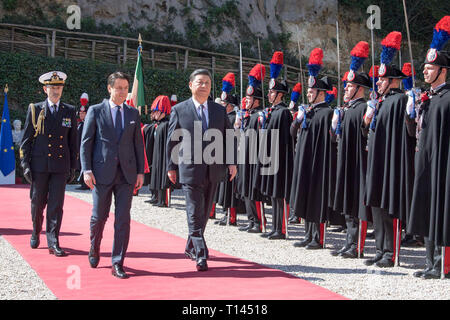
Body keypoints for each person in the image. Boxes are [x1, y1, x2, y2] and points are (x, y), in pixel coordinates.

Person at [166, 69, 237, 271]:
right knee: (194, 212)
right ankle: (201, 253)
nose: (204, 85)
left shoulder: (218, 110)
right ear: (191, 85)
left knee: (204, 213)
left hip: (213, 168)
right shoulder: (180, 109)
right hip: (189, 169)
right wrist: (170, 166)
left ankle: (190, 246)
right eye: (200, 82)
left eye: (207, 82)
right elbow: (172, 141)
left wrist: (232, 163)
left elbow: (229, 138)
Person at [80, 71, 145, 279]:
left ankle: (118, 261)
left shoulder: (133, 114)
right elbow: (86, 142)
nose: (123, 92)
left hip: (126, 175)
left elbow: (138, 144)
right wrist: (86, 170)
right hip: (101, 173)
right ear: (110, 88)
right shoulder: (95, 111)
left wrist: (140, 171)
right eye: (118, 88)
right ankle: (94, 247)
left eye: (125, 88)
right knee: (99, 217)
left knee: (123, 219)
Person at [362, 32, 415, 268]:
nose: (378, 83)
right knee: (376, 205)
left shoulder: (399, 100)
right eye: (378, 80)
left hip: (389, 161)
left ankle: (390, 252)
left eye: (382, 80)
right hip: (376, 160)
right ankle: (381, 248)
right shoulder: (381, 102)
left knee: (389, 207)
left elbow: (404, 133)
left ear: (393, 80)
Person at [407, 16, 450, 279]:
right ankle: (429, 262)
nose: (424, 71)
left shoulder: (446, 99)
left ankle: (441, 263)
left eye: (430, 68)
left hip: (443, 165)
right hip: (425, 161)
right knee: (426, 208)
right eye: (424, 67)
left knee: (440, 212)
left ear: (443, 71)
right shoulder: (428, 98)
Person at [19, 71, 77, 256]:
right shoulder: (35, 109)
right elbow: (26, 140)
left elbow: (73, 142)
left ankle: (53, 240)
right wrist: (25, 164)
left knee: (56, 205)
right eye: (52, 88)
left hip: (60, 166)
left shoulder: (69, 110)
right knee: (37, 202)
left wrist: (73, 166)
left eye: (59, 87)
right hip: (40, 166)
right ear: (45, 89)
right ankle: (36, 230)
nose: (56, 91)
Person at [290, 48, 335, 249]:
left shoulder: (327, 113)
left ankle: (318, 237)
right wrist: (297, 121)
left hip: (320, 162)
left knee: (317, 197)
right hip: (305, 160)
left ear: (321, 93)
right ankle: (308, 234)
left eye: (311, 91)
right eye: (308, 91)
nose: (308, 94)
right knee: (305, 195)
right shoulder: (308, 112)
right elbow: (292, 134)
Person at [331, 41, 372, 258]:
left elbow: (366, 134)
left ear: (359, 88)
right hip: (346, 160)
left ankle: (358, 246)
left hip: (359, 163)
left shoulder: (364, 108)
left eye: (349, 86)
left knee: (359, 205)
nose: (345, 89)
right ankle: (349, 241)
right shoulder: (347, 110)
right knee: (348, 203)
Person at [257, 51, 293, 240]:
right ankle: (274, 227)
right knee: (273, 195)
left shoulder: (284, 112)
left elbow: (285, 140)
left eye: (272, 91)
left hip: (280, 158)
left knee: (280, 195)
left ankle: (282, 228)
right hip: (270, 157)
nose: (269, 94)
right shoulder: (270, 112)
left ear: (279, 94)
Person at [236, 64, 267, 233]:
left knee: (254, 191)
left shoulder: (259, 116)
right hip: (244, 157)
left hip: (255, 158)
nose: (246, 101)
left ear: (256, 101)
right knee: (246, 188)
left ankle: (260, 222)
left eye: (249, 99)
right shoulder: (246, 117)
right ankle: (251, 219)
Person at [148, 95, 173, 207]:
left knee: (164, 176)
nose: (155, 114)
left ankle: (164, 200)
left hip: (165, 156)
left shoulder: (167, 124)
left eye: (157, 111)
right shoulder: (159, 125)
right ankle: (158, 197)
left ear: (163, 112)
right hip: (158, 154)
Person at [76, 93, 90, 190]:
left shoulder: (87, 124)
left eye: (83, 113)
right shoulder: (80, 123)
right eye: (80, 113)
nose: (81, 115)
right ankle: (82, 183)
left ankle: (85, 184)